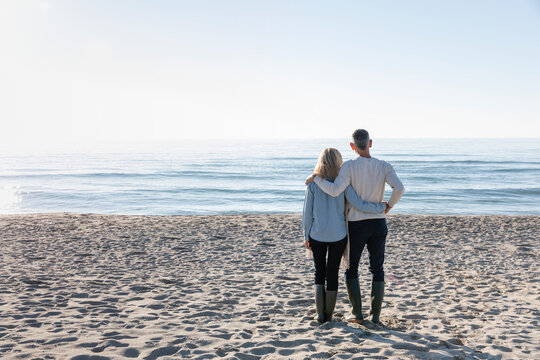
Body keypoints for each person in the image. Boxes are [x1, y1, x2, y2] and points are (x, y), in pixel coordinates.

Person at [306, 130, 404, 325]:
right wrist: (388, 206)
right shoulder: (384, 166)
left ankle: (357, 313)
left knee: (352, 268)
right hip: (378, 223)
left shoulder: (348, 167)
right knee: (378, 268)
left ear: (352, 146)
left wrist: (316, 178)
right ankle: (375, 316)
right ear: (371, 143)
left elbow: (334, 190)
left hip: (357, 225)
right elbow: (399, 188)